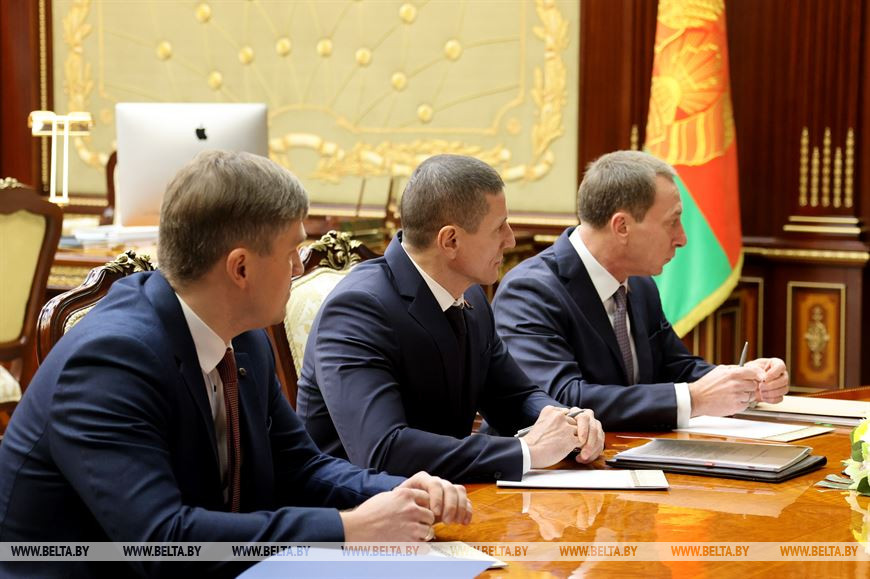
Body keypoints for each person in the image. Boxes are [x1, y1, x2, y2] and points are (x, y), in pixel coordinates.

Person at [0, 151, 470, 578]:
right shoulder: (110, 361)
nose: (297, 269)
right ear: (240, 268)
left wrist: (397, 492)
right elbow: (163, 543)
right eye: (291, 252)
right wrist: (347, 529)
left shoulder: (243, 337)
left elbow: (300, 467)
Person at [296, 154, 604, 483]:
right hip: (359, 505)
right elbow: (384, 451)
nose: (511, 239)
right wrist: (527, 451)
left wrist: (567, 421)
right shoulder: (357, 309)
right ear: (450, 241)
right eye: (499, 227)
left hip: (450, 493)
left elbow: (514, 396)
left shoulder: (472, 296)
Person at [492, 150, 789, 431]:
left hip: (628, 452)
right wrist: (695, 398)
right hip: (551, 464)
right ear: (622, 226)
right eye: (672, 222)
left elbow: (676, 367)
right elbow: (562, 400)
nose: (682, 238)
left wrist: (743, 380)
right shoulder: (530, 292)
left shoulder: (640, 283)